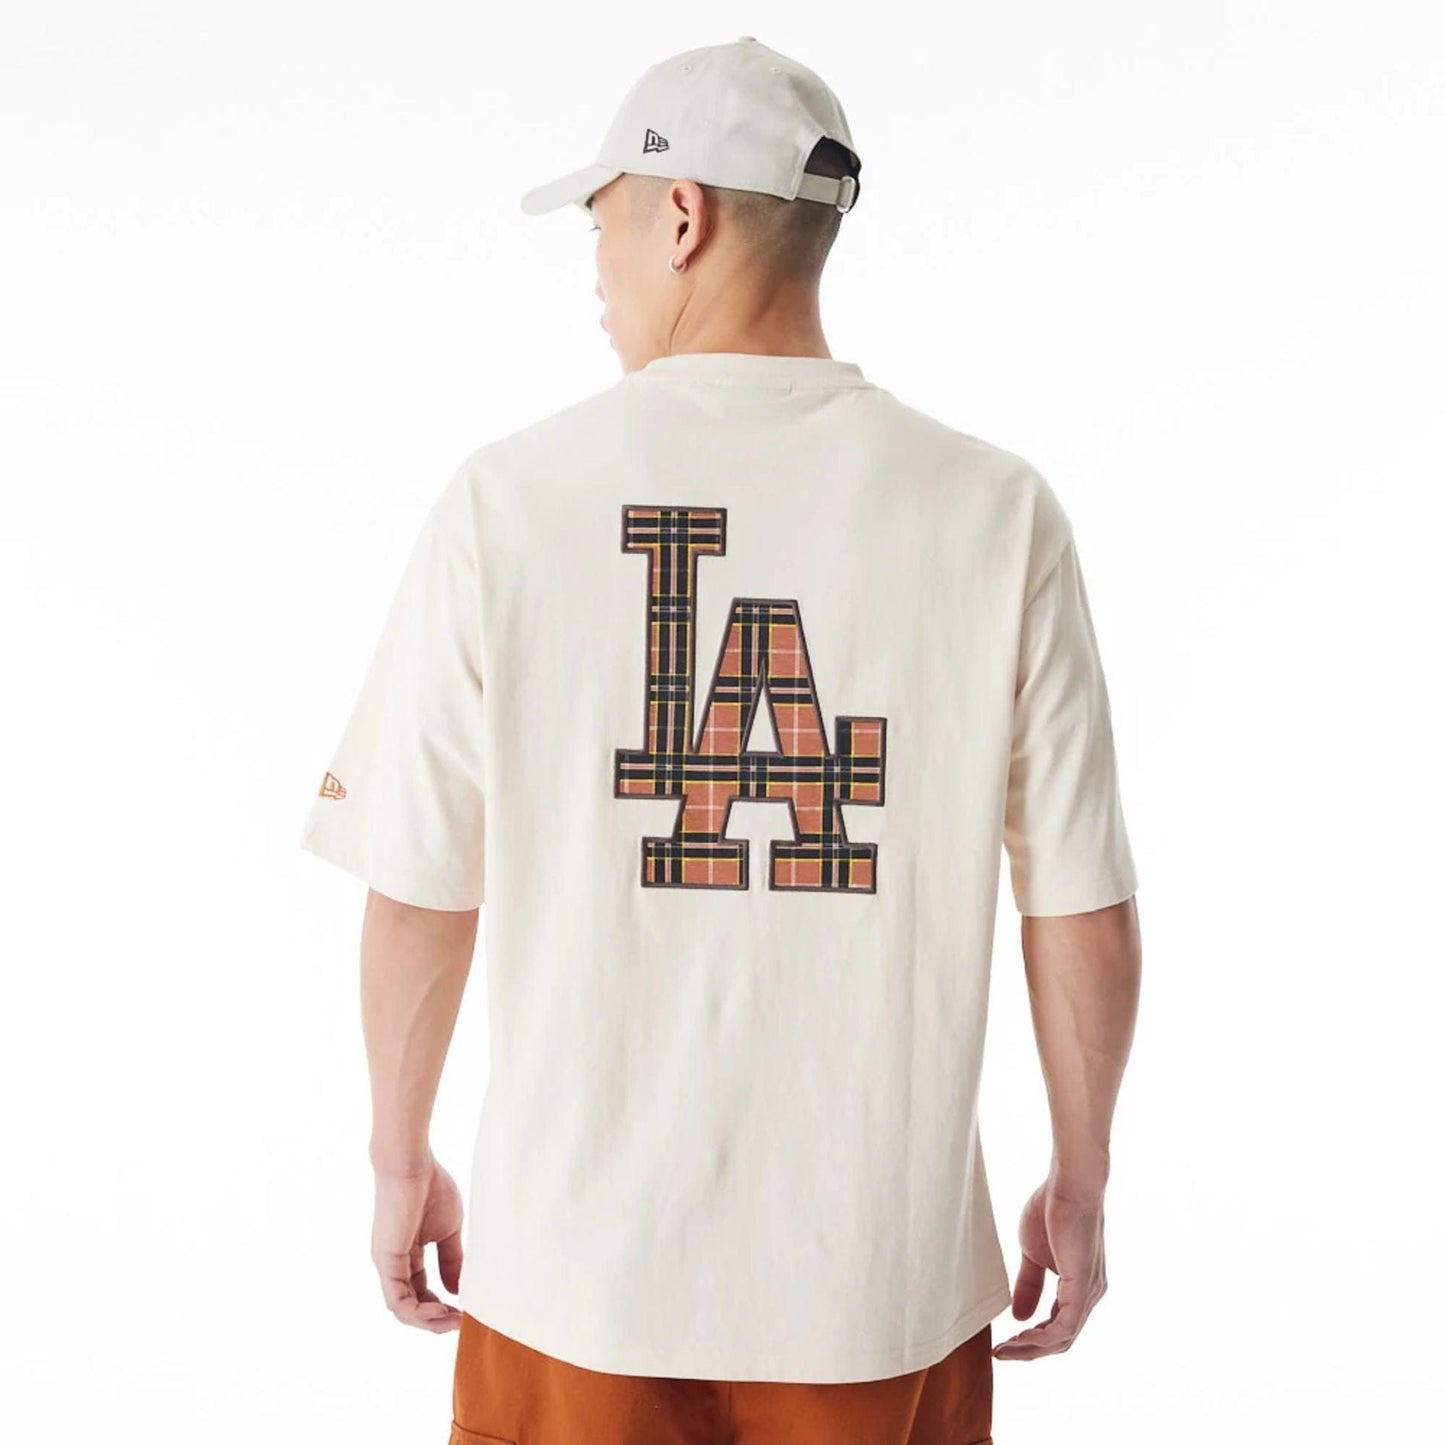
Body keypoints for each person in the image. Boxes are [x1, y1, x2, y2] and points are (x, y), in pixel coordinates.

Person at [298, 34, 1142, 1445]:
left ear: (679, 215)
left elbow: (420, 891)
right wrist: (1080, 1178)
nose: (595, 268)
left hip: (576, 1280)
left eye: (603, 220)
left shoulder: (510, 504)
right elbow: (1082, 909)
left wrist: (399, 1162)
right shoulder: (996, 513)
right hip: (874, 1288)